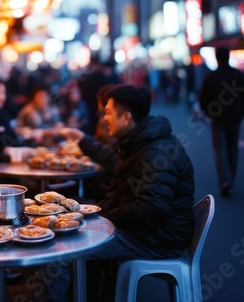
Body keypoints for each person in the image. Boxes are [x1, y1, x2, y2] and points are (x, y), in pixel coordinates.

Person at [40, 84, 195, 301]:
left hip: (157, 239)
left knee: (64, 248)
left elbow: (151, 208)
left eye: (109, 113)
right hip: (149, 231)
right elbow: (116, 163)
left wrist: (102, 219)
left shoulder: (154, 152)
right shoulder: (140, 141)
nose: (104, 118)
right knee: (71, 225)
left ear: (126, 117)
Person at [198, 46, 244, 197]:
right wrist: (243, 112)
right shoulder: (239, 75)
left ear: (216, 57)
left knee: (221, 149)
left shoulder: (210, 77)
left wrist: (208, 112)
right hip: (235, 118)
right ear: (228, 56)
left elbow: (203, 99)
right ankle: (231, 177)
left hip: (217, 118)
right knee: (233, 148)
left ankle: (225, 181)